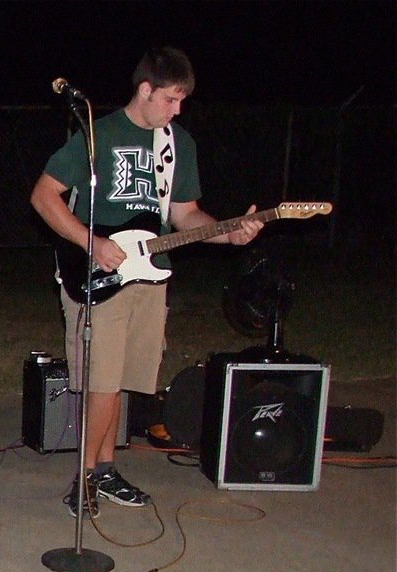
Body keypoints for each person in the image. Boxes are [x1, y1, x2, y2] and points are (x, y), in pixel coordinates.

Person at [29, 47, 263, 517]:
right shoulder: (99, 135)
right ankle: (87, 478)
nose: (178, 110)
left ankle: (107, 469)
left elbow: (185, 216)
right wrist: (90, 242)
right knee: (101, 382)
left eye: (182, 102)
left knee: (123, 382)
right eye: (172, 99)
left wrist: (229, 233)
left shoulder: (179, 146)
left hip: (149, 275)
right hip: (96, 274)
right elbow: (43, 196)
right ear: (146, 90)